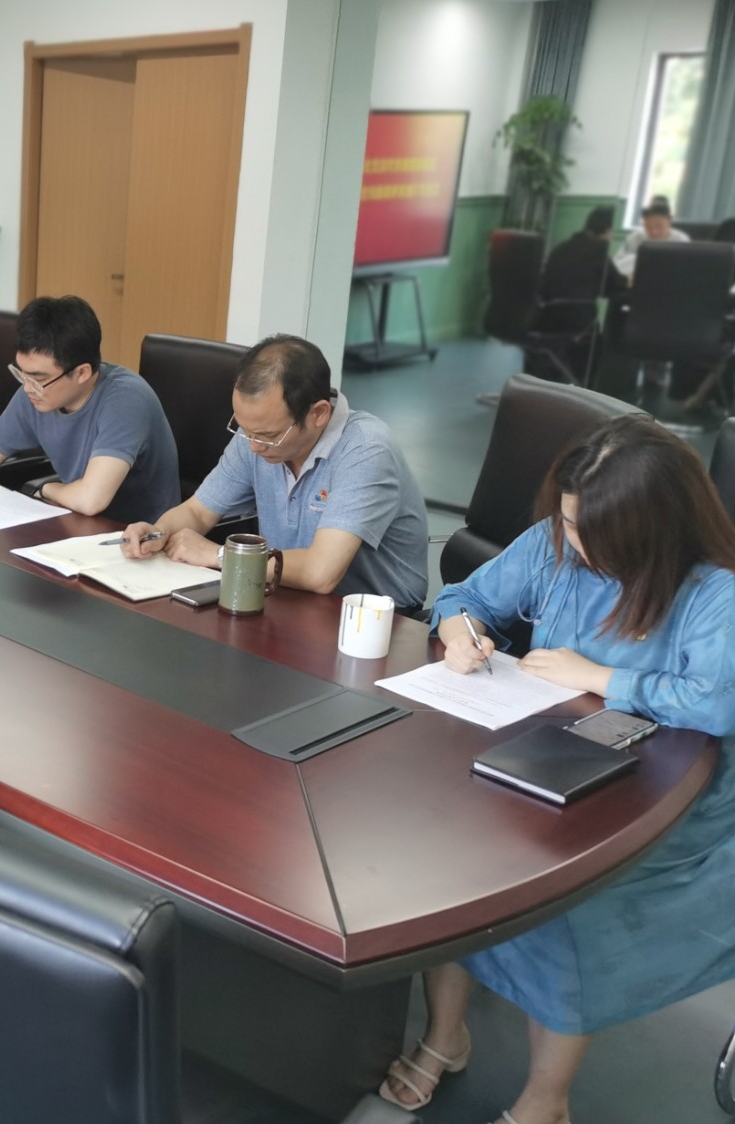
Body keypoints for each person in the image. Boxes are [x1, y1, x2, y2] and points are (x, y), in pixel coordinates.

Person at [380, 416, 735, 1124]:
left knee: (568, 906)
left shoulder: (711, 592)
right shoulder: (555, 545)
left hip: (667, 804)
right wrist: (458, 631)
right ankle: (445, 1036)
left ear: (650, 530)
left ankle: (546, 1099)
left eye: (591, 532)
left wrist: (598, 677)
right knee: (450, 862)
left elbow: (717, 704)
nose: (572, 544)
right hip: (545, 768)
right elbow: (465, 596)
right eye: (569, 524)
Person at [120, 334, 428, 608]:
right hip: (285, 594)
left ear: (319, 413)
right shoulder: (256, 432)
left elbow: (320, 573)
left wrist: (219, 555)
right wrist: (159, 532)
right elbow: (198, 512)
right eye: (244, 429)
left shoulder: (365, 450)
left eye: (268, 436)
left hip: (374, 617)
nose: (254, 446)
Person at [0, 295, 178, 524]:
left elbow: (91, 499)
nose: (27, 388)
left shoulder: (125, 400)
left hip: (138, 540)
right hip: (76, 525)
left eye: (38, 378)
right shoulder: (37, 392)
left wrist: (46, 488)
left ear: (82, 373)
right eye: (21, 373)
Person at [541, 206, 627, 303]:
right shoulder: (598, 249)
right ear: (608, 230)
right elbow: (615, 282)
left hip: (549, 309)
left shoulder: (560, 248)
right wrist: (629, 279)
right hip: (580, 310)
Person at [612, 198, 689, 279]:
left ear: (669, 222)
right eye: (648, 227)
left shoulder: (681, 240)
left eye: (659, 226)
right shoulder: (635, 238)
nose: (654, 232)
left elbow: (684, 267)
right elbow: (618, 262)